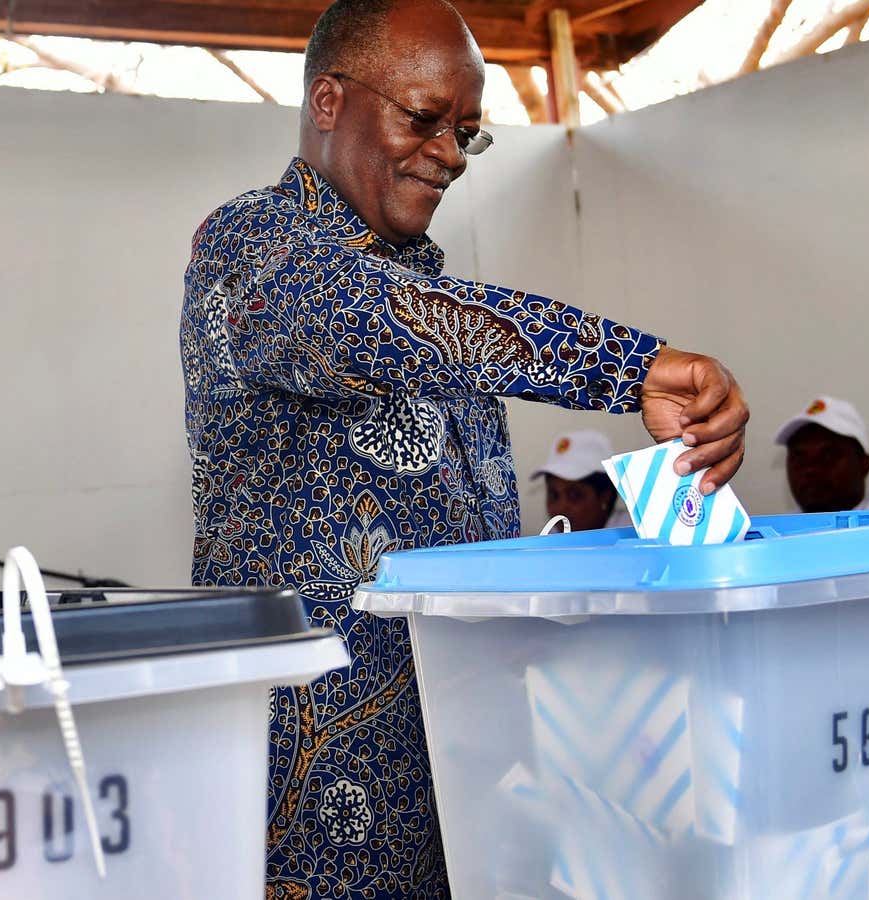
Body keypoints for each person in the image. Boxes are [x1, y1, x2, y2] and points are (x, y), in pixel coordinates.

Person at [179, 0, 749, 894]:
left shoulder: (439, 291)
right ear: (328, 101)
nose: (447, 154)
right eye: (421, 118)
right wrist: (627, 368)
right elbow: (374, 320)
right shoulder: (251, 247)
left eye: (467, 132)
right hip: (321, 796)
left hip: (468, 766)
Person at [773, 395, 869, 513]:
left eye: (827, 457)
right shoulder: (775, 530)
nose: (810, 469)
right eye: (799, 459)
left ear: (864, 464)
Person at [533, 429, 632, 531]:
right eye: (553, 496)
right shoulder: (551, 538)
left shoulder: (635, 536)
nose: (561, 507)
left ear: (605, 495)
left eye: (574, 495)